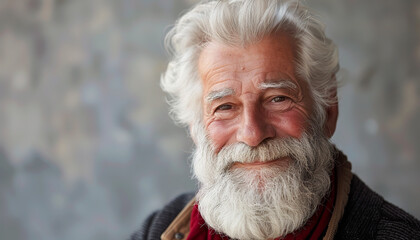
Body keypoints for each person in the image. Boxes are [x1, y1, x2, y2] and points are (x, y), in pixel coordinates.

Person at [131, 0, 420, 239]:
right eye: (225, 107)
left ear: (328, 112)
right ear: (196, 127)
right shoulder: (159, 229)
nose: (253, 133)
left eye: (277, 99)